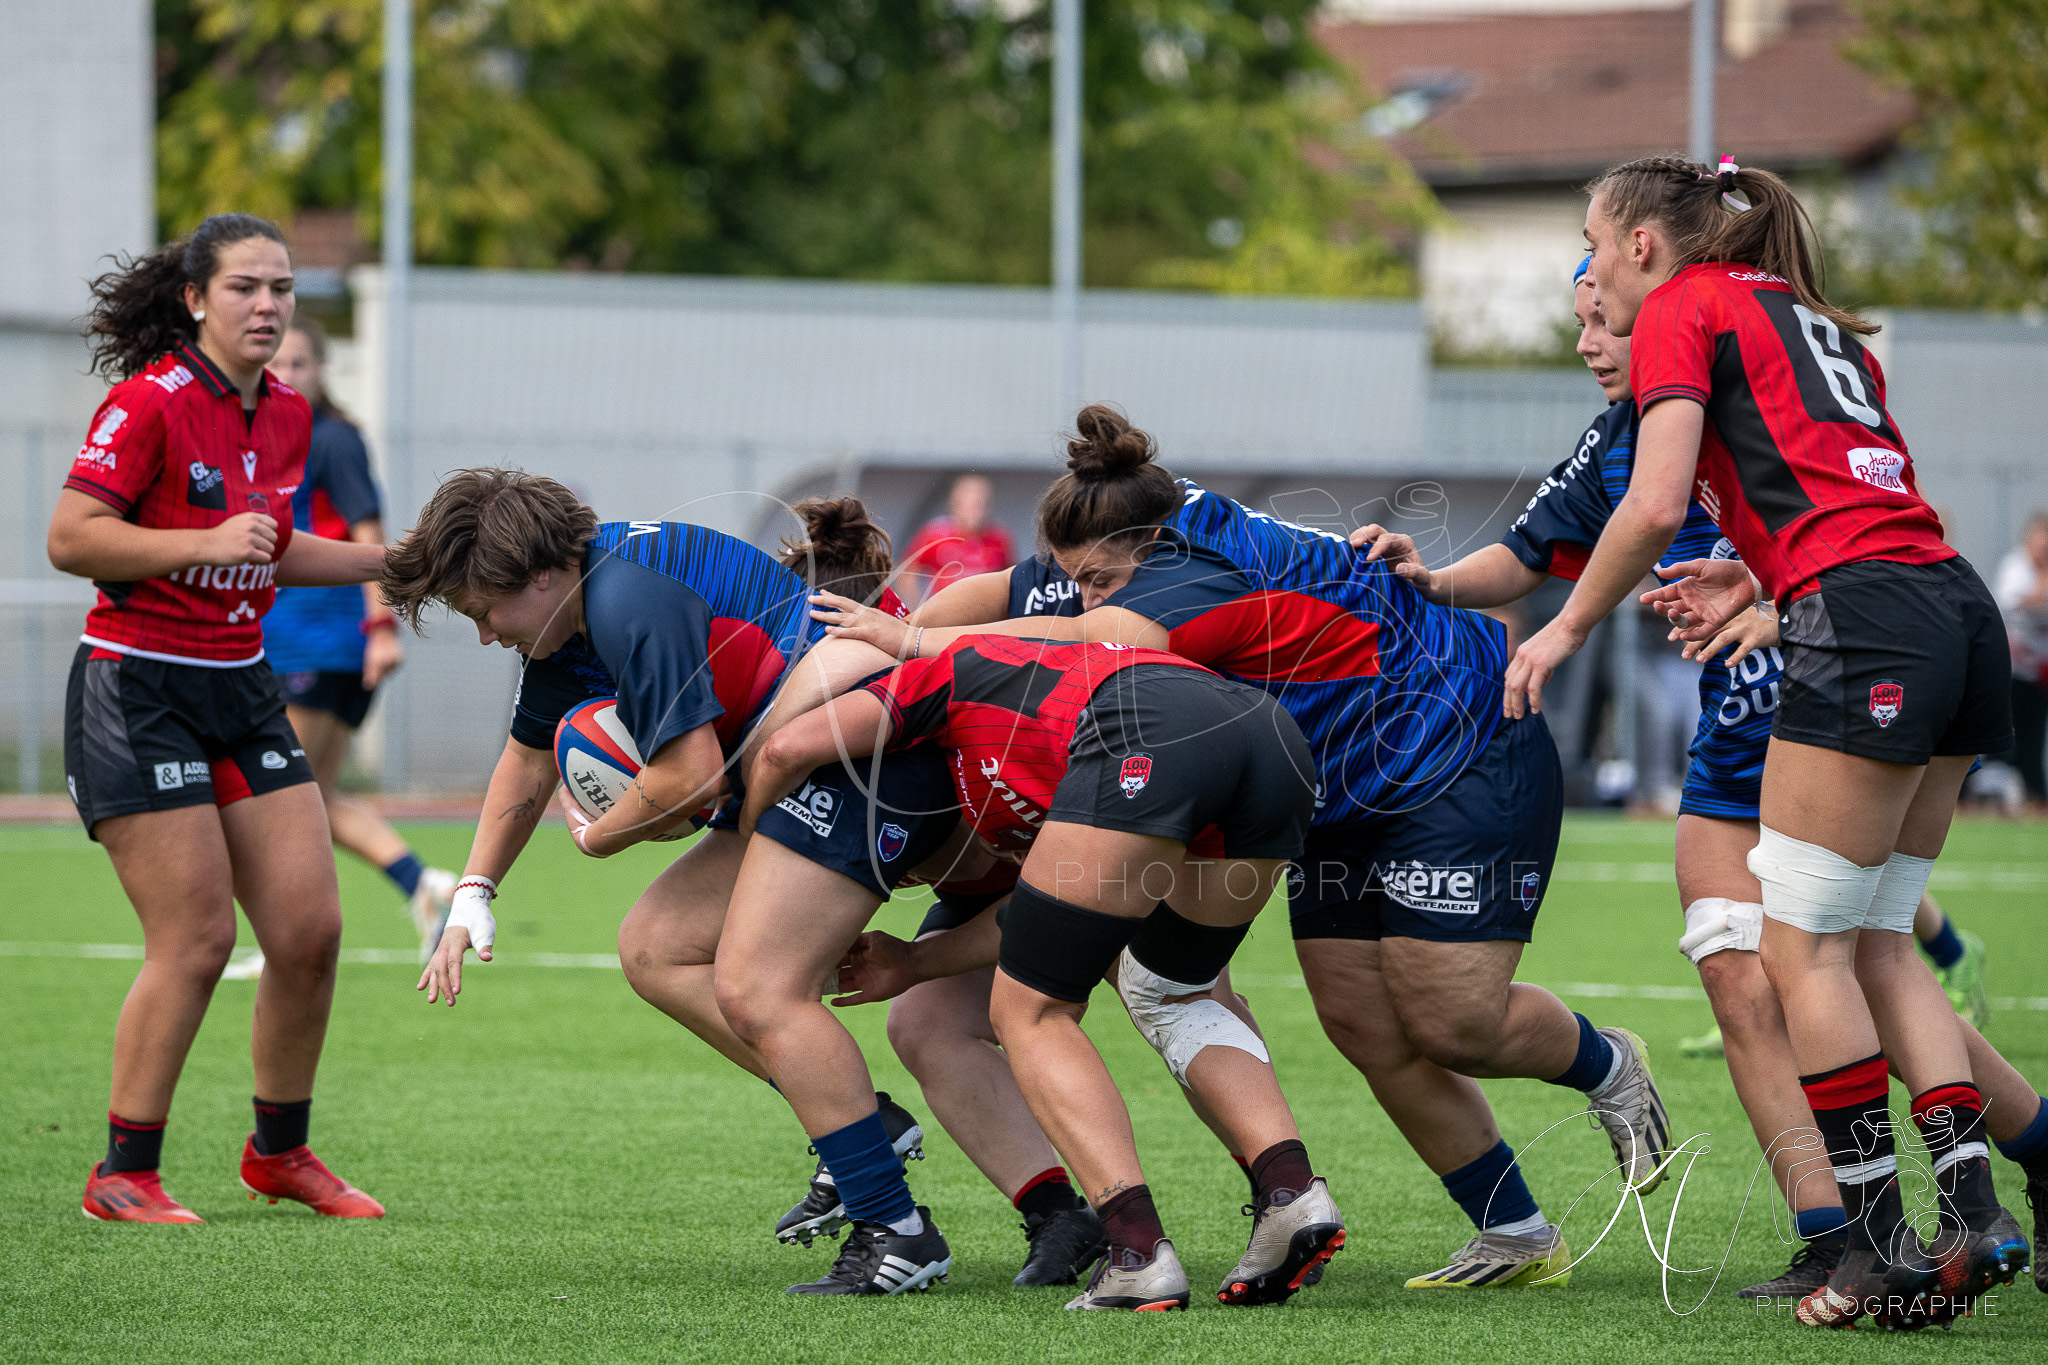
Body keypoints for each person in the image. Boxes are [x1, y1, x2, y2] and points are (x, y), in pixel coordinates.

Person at [813, 405, 1676, 1293]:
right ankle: (1516, 1232)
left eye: (1100, 580)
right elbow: (1011, 593)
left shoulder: (1183, 569)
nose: (1084, 597)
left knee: (1454, 1017)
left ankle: (1606, 1062)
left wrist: (918, 645)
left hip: (1457, 745)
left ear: (1143, 551)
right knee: (1361, 1022)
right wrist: (921, 620)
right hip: (1338, 782)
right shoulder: (1129, 527)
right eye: (1077, 580)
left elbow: (1118, 636)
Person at [1363, 257, 2048, 1304]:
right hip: (1740, 724)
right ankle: (1839, 1233)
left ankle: (2002, 1167)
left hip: (1838, 676)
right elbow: (1528, 552)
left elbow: (1874, 525)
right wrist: (1431, 578)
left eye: (1603, 321)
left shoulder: (1740, 373)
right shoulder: (1617, 434)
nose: (1589, 344)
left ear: (1662, 307)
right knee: (1742, 973)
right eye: (1576, 326)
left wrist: (1701, 612)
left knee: (1844, 961)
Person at [1504, 154, 2025, 1329]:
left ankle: (1877, 1244)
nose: (1586, 269)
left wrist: (1559, 635)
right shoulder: (1791, 304)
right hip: (1946, 605)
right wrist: (1754, 575)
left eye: (1591, 239)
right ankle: (1968, 1214)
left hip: (1868, 620)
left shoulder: (1687, 303)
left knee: (1806, 953)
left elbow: (1648, 501)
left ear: (1643, 243)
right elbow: (1848, 488)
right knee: (1879, 938)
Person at [385, 475, 1000, 1297]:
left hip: (863, 756)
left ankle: (896, 1227)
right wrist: (472, 892)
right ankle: (865, 1129)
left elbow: (691, 776)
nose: (488, 635)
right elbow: (526, 763)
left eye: (481, 611)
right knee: (654, 946)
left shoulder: (625, 598)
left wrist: (601, 832)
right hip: (798, 773)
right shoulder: (570, 614)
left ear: (535, 574)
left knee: (759, 988)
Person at [742, 633, 1340, 1311]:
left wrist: (750, 845)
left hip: (1148, 731)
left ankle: (1136, 1252)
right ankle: (1292, 1192)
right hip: (1272, 736)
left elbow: (784, 748)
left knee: (1032, 1010)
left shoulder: (938, 675)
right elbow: (1038, 908)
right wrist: (914, 961)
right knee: (1174, 991)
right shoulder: (1032, 691)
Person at [51, 214, 390, 1223]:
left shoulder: (289, 414)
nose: (268, 306)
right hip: (137, 686)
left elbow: (269, 550)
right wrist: (198, 538)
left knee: (310, 931)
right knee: (195, 939)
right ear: (196, 299)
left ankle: (279, 1153)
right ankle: (122, 1172)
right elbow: (73, 537)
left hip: (241, 684)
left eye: (281, 288)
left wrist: (399, 565)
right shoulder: (146, 402)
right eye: (245, 287)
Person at [220, 316, 455, 984]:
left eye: (301, 363)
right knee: (310, 796)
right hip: (303, 644)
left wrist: (381, 629)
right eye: (278, 365)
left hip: (321, 645)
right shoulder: (272, 438)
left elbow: (371, 534)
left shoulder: (332, 438)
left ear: (323, 370)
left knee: (276, 798)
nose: (287, 375)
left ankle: (288, 933)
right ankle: (421, 883)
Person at [1993, 510, 2048, 804]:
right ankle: (2000, 797)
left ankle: (2035, 797)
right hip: (2012, 670)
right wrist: (2041, 577)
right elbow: (2016, 602)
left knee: (2033, 740)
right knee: (2007, 738)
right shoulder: (2015, 566)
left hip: (2039, 673)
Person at [901, 474, 1013, 605]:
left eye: (981, 505)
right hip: (945, 612)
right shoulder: (935, 533)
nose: (975, 512)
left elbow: (1009, 577)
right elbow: (907, 574)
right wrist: (918, 609)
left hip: (985, 615)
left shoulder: (999, 537)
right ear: (955, 504)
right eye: (969, 505)